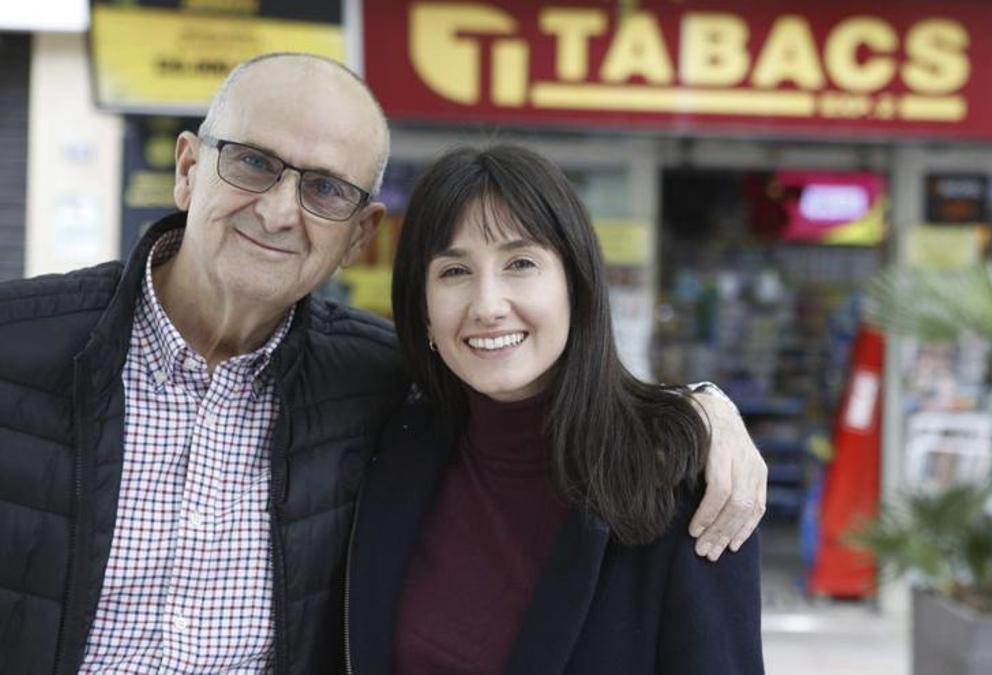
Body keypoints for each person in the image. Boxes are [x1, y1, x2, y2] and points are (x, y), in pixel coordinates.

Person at [0, 54, 766, 673]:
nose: (278, 210)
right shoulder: (18, 347)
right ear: (189, 167)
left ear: (360, 233)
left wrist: (699, 410)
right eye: (254, 163)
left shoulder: (372, 388)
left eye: (325, 188)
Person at [345, 145, 764, 674]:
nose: (488, 305)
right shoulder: (392, 452)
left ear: (576, 285)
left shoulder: (681, 476)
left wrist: (706, 408)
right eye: (454, 271)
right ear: (423, 311)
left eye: (520, 263)